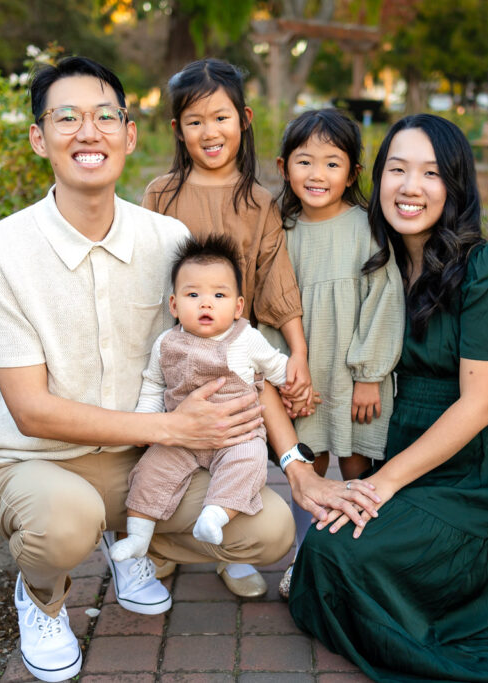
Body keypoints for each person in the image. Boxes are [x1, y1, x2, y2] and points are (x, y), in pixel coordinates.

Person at [0, 56, 332, 682]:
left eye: (105, 116)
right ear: (39, 137)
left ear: (130, 135)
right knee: (63, 524)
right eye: (67, 118)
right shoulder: (1, 249)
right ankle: (42, 598)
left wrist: (293, 462)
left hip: (134, 459)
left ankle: (131, 542)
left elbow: (232, 349)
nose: (89, 131)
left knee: (268, 531)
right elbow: (29, 408)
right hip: (36, 458)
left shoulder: (166, 239)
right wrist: (175, 429)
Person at [287, 114, 488, 682]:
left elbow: (481, 405)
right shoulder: (371, 253)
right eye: (398, 169)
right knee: (326, 549)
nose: (410, 187)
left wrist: (381, 483)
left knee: (341, 555)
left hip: (472, 470)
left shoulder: (484, 270)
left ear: (456, 186)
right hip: (397, 446)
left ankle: (480, 575)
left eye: (431, 174)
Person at [141, 57, 312, 596]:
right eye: (194, 121)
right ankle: (158, 545)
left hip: (233, 361)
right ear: (177, 130)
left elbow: (277, 288)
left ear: (244, 118)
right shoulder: (160, 194)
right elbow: (146, 278)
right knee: (164, 457)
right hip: (174, 355)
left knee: (237, 452)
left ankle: (228, 547)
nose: (209, 132)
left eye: (220, 118)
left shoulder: (258, 203)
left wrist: (298, 357)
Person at [266, 109, 404, 599]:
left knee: (358, 465)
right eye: (305, 162)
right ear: (284, 168)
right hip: (304, 375)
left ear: (352, 173)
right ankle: (308, 556)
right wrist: (282, 376)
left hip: (354, 374)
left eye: (331, 163)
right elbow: (270, 306)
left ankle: (359, 554)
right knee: (309, 464)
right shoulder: (279, 230)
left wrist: (369, 374)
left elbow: (384, 301)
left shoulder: (367, 227)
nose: (317, 175)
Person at [110, 234, 291, 561]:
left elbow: (276, 365)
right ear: (174, 305)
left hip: (237, 436)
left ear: (238, 307)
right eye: (193, 294)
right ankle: (138, 536)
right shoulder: (166, 343)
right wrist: (147, 423)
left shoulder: (246, 339)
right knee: (151, 472)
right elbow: (153, 383)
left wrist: (295, 384)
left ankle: (215, 516)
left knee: (250, 463)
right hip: (180, 436)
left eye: (219, 295)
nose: (206, 303)